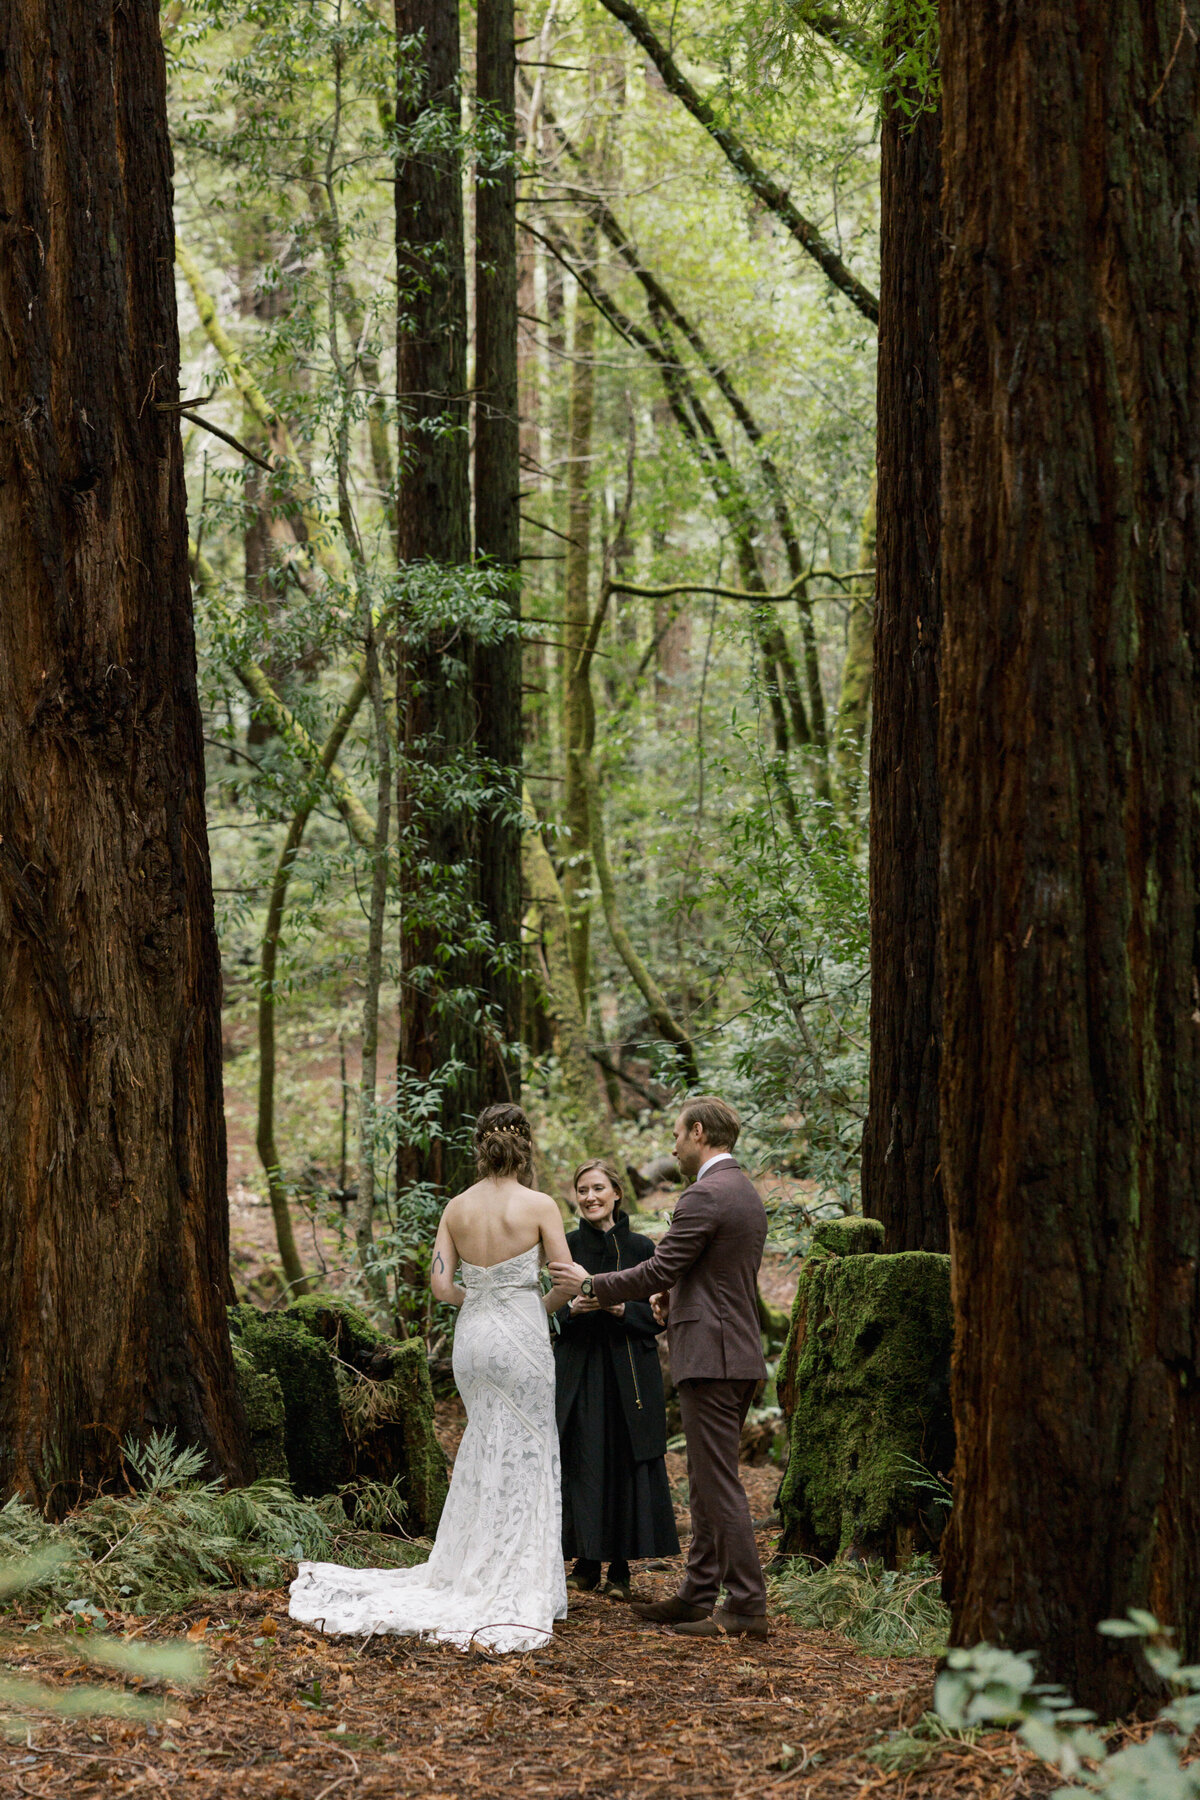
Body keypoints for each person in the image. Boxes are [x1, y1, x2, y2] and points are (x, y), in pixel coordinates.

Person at [289, 1104, 575, 1652]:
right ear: (525, 1148)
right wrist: (538, 1305)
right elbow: (563, 1277)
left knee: (483, 1441)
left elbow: (442, 1288)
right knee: (529, 1446)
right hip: (520, 1330)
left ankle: (469, 1567)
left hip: (473, 1336)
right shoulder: (540, 1205)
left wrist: (483, 1299)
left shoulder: (456, 1209)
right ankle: (518, 1578)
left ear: (479, 1147)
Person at [551, 1095, 769, 1640]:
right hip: (734, 1350)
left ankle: (745, 1604)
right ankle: (697, 1595)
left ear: (698, 1132)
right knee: (704, 1481)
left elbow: (663, 1264)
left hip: (713, 1357)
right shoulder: (743, 1191)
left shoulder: (706, 1193)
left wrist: (593, 1284)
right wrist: (673, 1299)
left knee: (717, 1484)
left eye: (676, 1136)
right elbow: (711, 1275)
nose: (672, 1147)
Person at [554, 1160, 680, 1602]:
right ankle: (585, 1564)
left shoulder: (644, 1247)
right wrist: (571, 1310)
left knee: (625, 1461)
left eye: (598, 1189)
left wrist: (623, 1309)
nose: (589, 1197)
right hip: (581, 1368)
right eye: (582, 1190)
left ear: (617, 1194)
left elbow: (661, 1316)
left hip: (630, 1372)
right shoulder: (564, 1247)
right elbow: (544, 1314)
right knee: (584, 1459)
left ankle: (622, 1571)